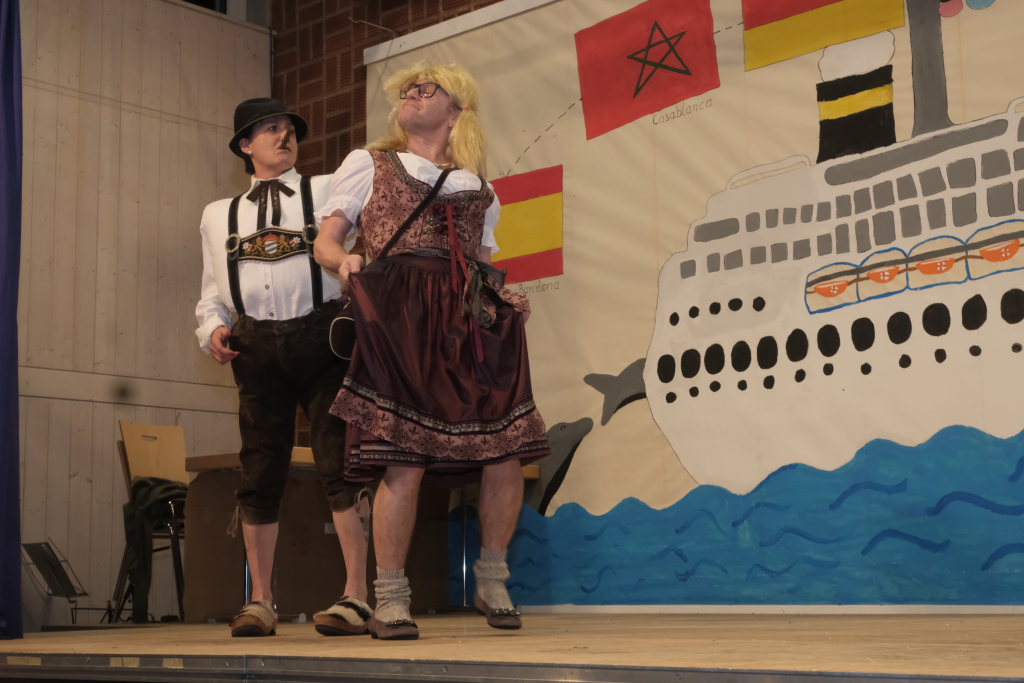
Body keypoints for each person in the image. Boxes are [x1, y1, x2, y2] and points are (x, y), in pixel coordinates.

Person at [314, 62, 550, 641]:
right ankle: (391, 597)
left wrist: (504, 295)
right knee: (404, 453)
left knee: (505, 449)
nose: (413, 95)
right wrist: (343, 260)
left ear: (457, 110)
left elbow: (484, 261)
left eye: (427, 88)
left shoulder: (480, 187)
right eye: (407, 90)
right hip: (402, 313)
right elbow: (326, 240)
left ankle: (492, 579)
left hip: (469, 318)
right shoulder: (369, 163)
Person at [195, 97, 373, 638]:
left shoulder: (328, 190)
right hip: (255, 346)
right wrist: (213, 329)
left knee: (340, 461)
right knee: (260, 468)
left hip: (323, 339)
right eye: (269, 128)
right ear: (245, 145)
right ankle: (261, 601)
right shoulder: (217, 214)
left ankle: (357, 595)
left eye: (288, 127)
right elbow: (211, 292)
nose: (283, 135)